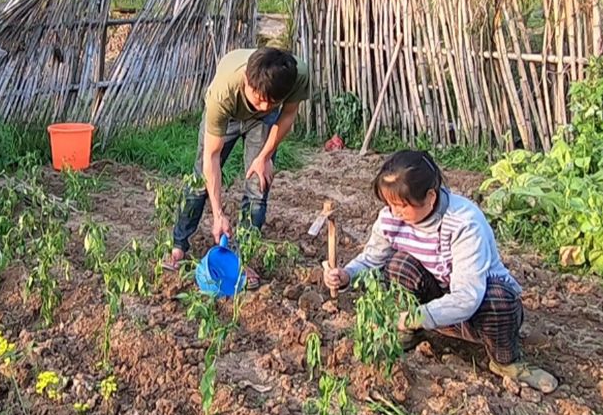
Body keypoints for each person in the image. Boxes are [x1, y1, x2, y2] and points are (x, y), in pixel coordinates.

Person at [324, 150, 558, 393]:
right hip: (433, 304)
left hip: (477, 312)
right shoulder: (391, 219)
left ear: (430, 197)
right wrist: (346, 275)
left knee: (499, 297)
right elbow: (372, 259)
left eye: (402, 205)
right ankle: (410, 334)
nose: (395, 213)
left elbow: (467, 298)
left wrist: (412, 316)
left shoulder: (464, 223)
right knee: (398, 265)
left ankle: (506, 362)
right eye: (389, 204)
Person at [162, 47, 310, 287]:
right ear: (247, 83)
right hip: (229, 115)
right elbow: (212, 157)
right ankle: (179, 246)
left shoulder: (296, 75)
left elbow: (288, 116)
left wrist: (265, 156)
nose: (263, 106)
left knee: (258, 184)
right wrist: (218, 214)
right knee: (200, 181)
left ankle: (242, 257)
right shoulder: (223, 92)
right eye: (259, 99)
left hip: (264, 125)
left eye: (271, 102)